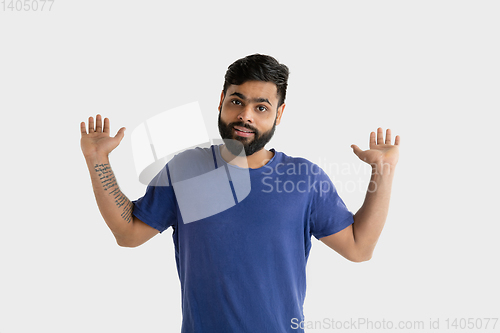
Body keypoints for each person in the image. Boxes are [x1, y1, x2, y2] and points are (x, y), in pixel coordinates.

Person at [80, 54, 400, 333]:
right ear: (220, 101)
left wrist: (382, 172)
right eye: (237, 101)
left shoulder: (304, 179)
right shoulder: (186, 169)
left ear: (279, 114)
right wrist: (98, 160)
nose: (246, 115)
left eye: (261, 107)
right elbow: (128, 233)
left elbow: (359, 248)